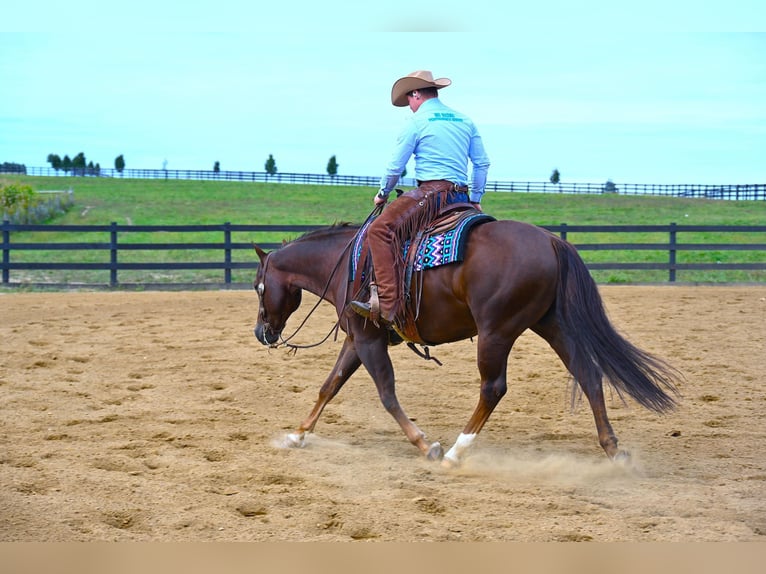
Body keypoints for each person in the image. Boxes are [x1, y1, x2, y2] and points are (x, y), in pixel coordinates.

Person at [350, 70, 491, 326]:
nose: (410, 107)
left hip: (432, 194)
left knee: (380, 231)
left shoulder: (416, 123)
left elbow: (395, 166)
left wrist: (382, 193)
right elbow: (481, 163)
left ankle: (389, 306)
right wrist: (476, 197)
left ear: (416, 94)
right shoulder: (465, 120)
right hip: (461, 196)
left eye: (409, 100)